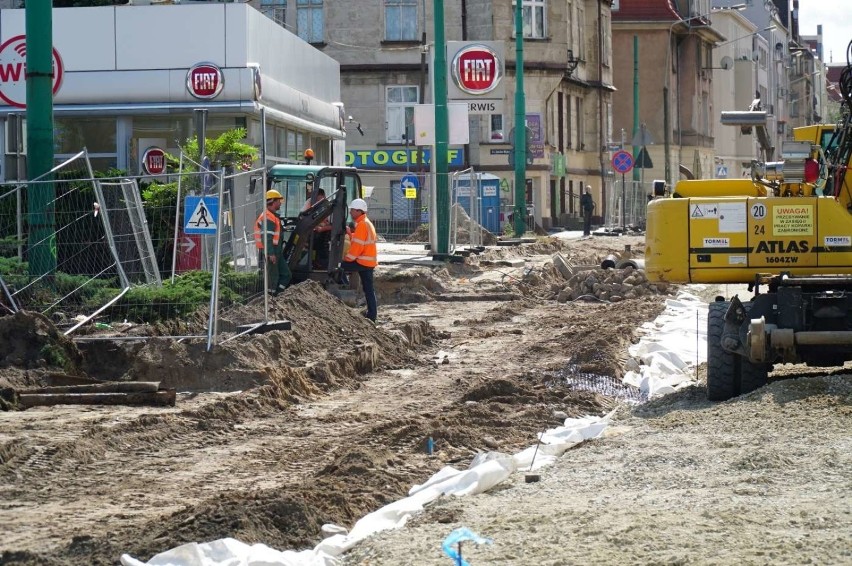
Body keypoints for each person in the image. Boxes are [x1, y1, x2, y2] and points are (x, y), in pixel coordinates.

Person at [341, 198, 378, 322]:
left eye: (352, 210)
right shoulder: (366, 223)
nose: (350, 213)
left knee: (338, 267)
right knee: (369, 289)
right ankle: (372, 315)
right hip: (368, 261)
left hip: (362, 261)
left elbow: (357, 247)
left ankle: (344, 287)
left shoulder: (362, 225)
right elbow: (358, 241)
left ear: (358, 211)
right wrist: (350, 234)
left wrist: (346, 259)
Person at [254, 189, 291, 294]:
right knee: (273, 278)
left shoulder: (272, 216)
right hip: (271, 251)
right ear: (273, 201)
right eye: (279, 201)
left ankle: (278, 294)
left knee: (286, 274)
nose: (280, 203)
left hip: (276, 251)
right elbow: (266, 237)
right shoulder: (268, 217)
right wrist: (270, 253)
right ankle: (270, 298)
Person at [302, 188, 332, 268]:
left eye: (320, 199)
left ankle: (319, 264)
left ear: (324, 196)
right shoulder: (309, 203)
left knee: (319, 248)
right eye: (317, 200)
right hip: (311, 232)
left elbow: (333, 225)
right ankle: (312, 262)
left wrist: (322, 229)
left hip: (323, 235)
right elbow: (303, 218)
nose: (319, 202)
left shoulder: (328, 206)